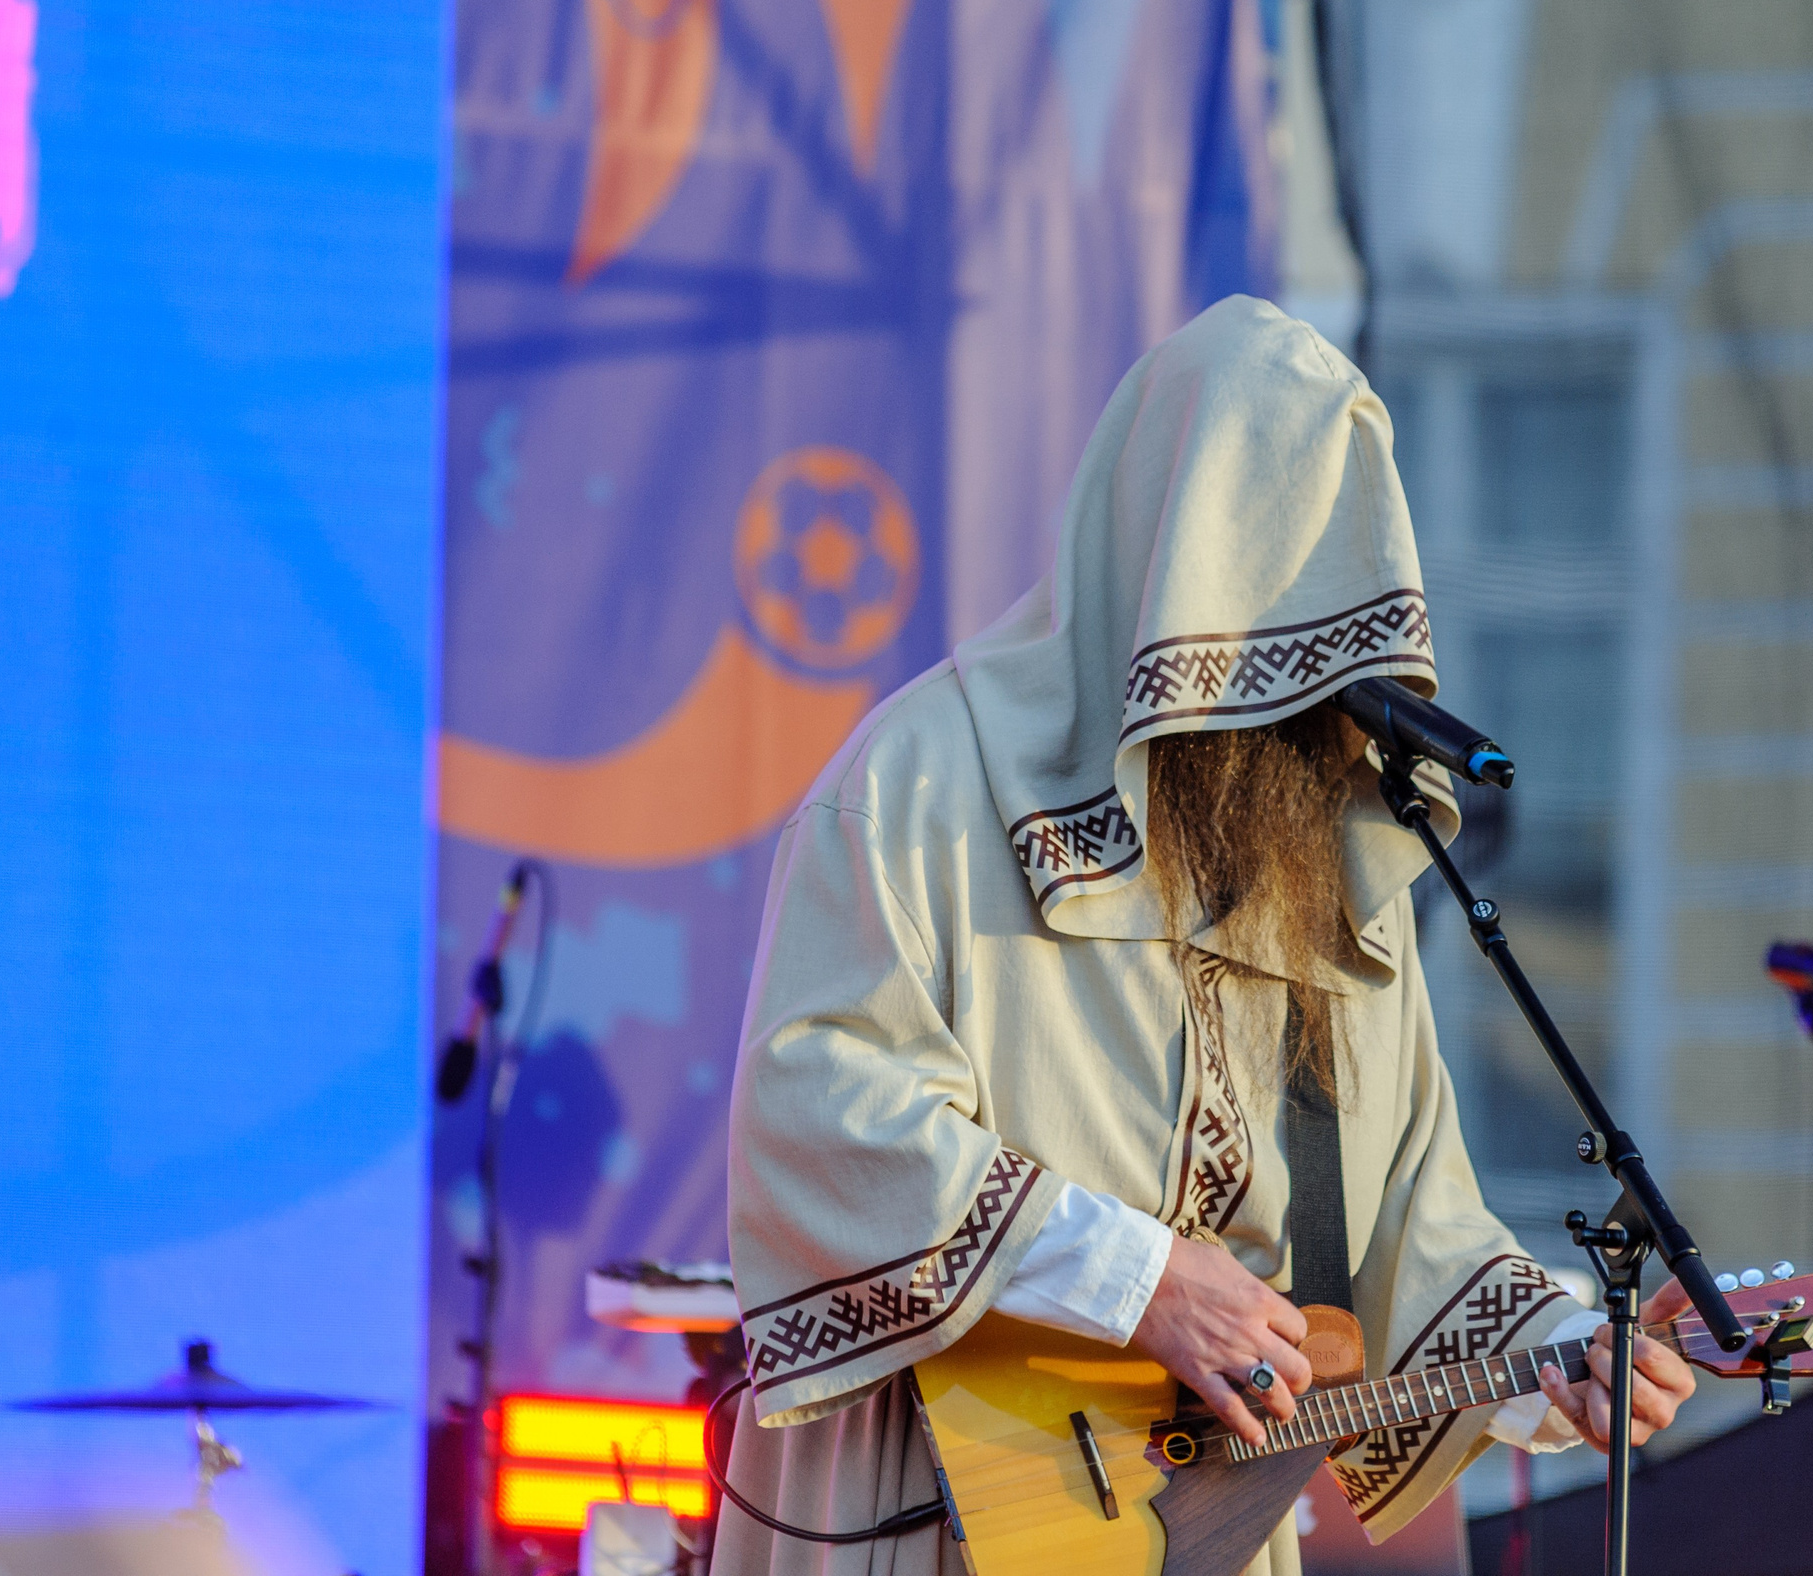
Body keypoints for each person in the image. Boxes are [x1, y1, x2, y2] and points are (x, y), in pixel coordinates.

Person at [719, 297, 1697, 1575]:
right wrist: (1135, 1279)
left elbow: (1407, 1224)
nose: (1286, 694)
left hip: (1197, 1535)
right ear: (1157, 562)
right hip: (928, 1512)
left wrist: (1556, 1363)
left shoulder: (1325, 874)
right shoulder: (924, 781)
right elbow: (813, 1112)